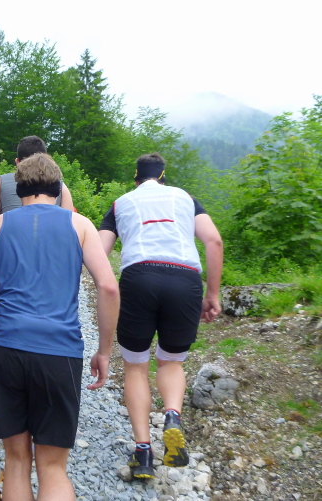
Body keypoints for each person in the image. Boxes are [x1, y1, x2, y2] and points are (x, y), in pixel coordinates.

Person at [0, 153, 120, 501]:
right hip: (59, 353)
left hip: (2, 350)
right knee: (53, 468)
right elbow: (108, 287)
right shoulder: (81, 226)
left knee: (16, 461)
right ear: (58, 189)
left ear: (18, 188)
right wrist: (104, 351)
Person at [98, 152, 223, 479]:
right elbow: (213, 241)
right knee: (171, 362)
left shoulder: (121, 203)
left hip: (139, 277)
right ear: (163, 176)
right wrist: (212, 294)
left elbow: (99, 252)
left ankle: (143, 453)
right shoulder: (186, 198)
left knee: (136, 367)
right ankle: (172, 417)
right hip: (185, 279)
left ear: (136, 177)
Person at [0, 135, 75, 298]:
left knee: (6, 306)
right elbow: (69, 226)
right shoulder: (60, 186)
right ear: (46, 159)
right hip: (50, 264)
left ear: (17, 162)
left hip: (8, 262)